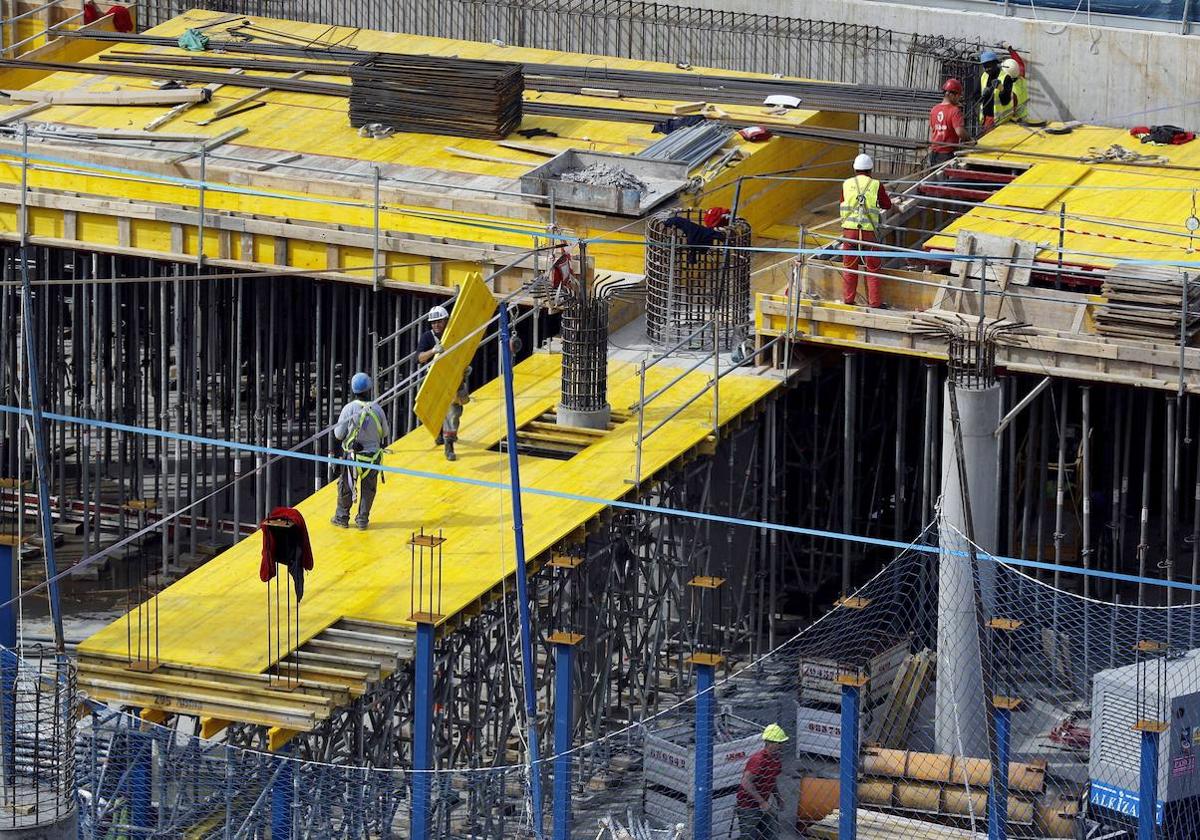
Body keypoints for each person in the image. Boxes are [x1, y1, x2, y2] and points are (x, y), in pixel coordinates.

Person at [331, 372, 390, 530]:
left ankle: (342, 517)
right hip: (372, 458)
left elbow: (338, 434)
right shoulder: (377, 409)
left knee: (346, 486)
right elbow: (384, 433)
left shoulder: (349, 409)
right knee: (368, 488)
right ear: (369, 389)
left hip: (353, 456)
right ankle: (362, 518)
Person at [839, 153, 893, 309]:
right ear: (870, 170)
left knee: (849, 267)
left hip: (849, 233)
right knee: (873, 268)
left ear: (855, 169)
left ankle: (848, 300)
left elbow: (842, 203)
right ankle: (874, 302)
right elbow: (887, 205)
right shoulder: (876, 184)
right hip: (868, 233)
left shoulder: (846, 184)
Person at [416, 304, 464, 461]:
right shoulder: (427, 337)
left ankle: (448, 440)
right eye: (433, 322)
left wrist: (465, 368)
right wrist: (433, 351)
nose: (436, 325)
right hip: (434, 380)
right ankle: (442, 437)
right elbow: (419, 358)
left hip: (453, 378)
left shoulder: (454, 335)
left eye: (439, 321)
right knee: (437, 411)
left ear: (446, 321)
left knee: (454, 412)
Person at [736, 724, 789, 839]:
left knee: (773, 834)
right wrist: (761, 802)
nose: (782, 746)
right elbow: (746, 782)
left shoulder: (776, 760)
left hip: (763, 804)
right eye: (779, 743)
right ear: (769, 743)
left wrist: (778, 797)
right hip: (748, 806)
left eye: (782, 743)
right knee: (748, 837)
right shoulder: (758, 760)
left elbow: (772, 779)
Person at [979, 45, 1028, 132]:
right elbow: (1019, 63)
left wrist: (1001, 89)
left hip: (1010, 120)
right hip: (1023, 119)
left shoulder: (1012, 89)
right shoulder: (1022, 78)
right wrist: (1010, 49)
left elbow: (1008, 102)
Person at [929, 78, 971, 169]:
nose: (959, 99)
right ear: (953, 95)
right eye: (958, 96)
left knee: (934, 180)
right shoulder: (955, 111)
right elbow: (960, 132)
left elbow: (933, 128)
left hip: (934, 153)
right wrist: (969, 140)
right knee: (945, 181)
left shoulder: (934, 109)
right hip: (947, 154)